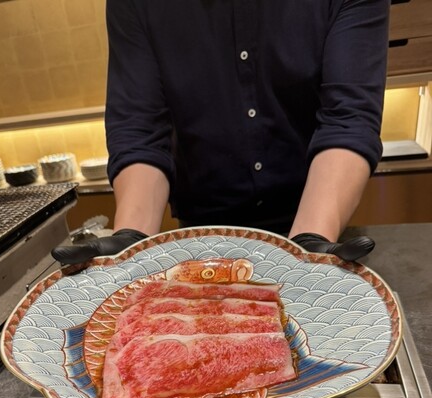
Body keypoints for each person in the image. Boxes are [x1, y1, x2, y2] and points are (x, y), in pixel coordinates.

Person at [53, 0, 390, 265]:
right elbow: (140, 128)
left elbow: (348, 117)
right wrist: (133, 240)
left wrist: (303, 250)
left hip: (316, 218)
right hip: (201, 233)